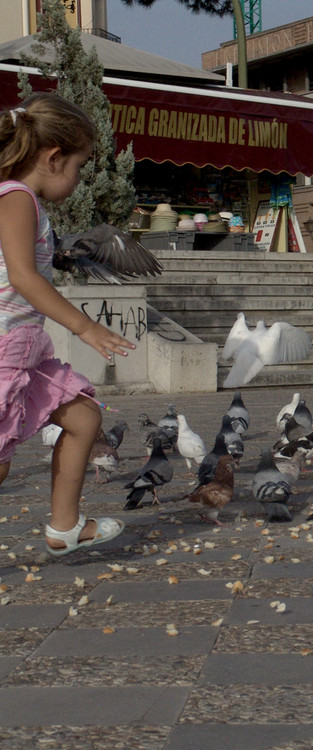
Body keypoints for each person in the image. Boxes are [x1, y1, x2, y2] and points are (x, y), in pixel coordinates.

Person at [0, 93, 133, 556]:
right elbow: (22, 276)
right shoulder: (17, 199)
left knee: (83, 418)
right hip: (3, 352)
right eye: (79, 166)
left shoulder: (21, 200)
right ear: (53, 158)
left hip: (23, 350)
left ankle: (65, 527)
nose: (79, 179)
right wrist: (84, 327)